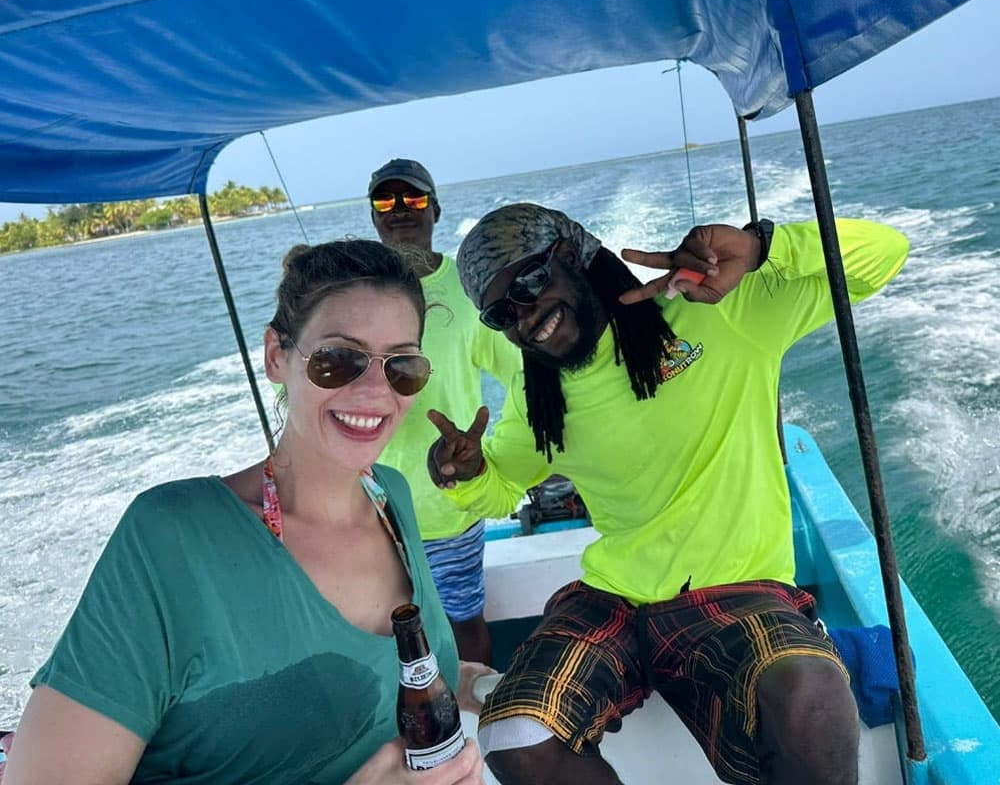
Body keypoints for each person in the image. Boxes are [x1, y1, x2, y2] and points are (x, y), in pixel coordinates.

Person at [426, 203, 910, 785]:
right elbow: (501, 489)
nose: (524, 319)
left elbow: (883, 253)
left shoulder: (716, 312)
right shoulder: (540, 399)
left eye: (529, 284)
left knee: (808, 685)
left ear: (574, 254)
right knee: (512, 734)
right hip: (614, 599)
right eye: (501, 314)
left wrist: (762, 248)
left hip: (740, 589)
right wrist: (463, 474)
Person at [3, 240, 486, 785]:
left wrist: (468, 682)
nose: (376, 390)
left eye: (402, 365)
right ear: (277, 356)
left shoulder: (391, 498)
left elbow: (390, 679)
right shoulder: (172, 537)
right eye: (338, 359)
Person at [367, 159, 521, 665]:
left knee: (464, 626)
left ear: (435, 208)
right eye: (385, 202)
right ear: (374, 217)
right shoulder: (357, 289)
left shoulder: (469, 289)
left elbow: (521, 373)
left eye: (412, 199)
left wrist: (493, 456)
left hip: (449, 504)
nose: (399, 211)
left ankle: (478, 733)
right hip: (369, 508)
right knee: (383, 632)